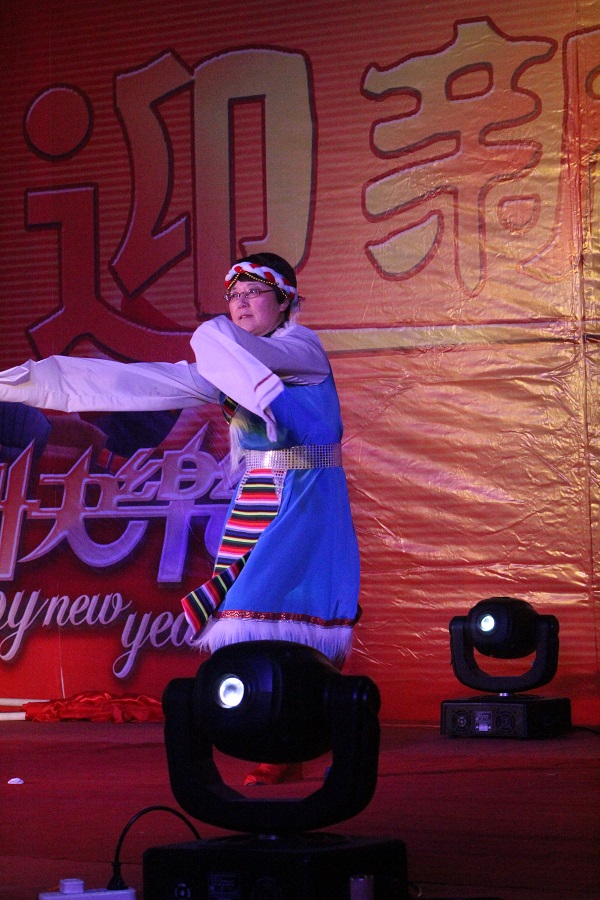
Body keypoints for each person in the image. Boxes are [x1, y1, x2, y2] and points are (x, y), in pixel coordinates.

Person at [0, 252, 361, 783]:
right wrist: (25, 384)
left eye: (254, 293)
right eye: (233, 296)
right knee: (245, 613)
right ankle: (282, 736)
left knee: (299, 610)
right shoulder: (229, 364)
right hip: (260, 492)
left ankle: (319, 733)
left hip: (309, 493)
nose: (240, 304)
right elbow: (135, 384)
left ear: (285, 301)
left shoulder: (299, 348)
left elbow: (219, 343)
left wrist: (214, 335)